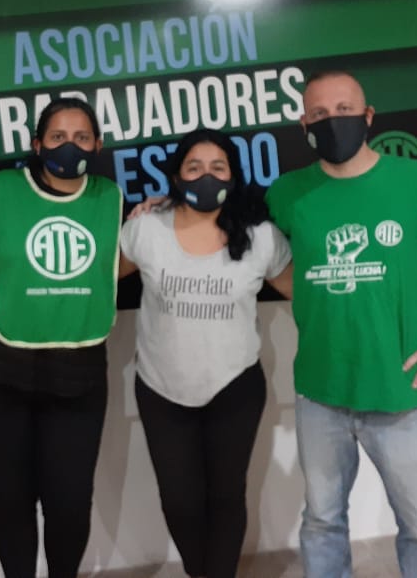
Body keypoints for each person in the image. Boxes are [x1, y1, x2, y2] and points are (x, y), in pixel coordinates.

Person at [265, 71, 417, 578]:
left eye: (344, 110)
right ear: (304, 125)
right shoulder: (287, 193)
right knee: (322, 521)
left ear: (367, 117)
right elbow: (257, 253)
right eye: (319, 114)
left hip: (398, 391)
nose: (332, 121)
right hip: (320, 392)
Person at [0, 97, 122, 578]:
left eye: (81, 137)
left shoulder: (109, 198)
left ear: (98, 145)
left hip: (79, 374)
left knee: (70, 503)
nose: (70, 146)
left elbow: (120, 260)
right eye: (57, 137)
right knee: (10, 502)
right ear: (36, 144)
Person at [118, 128, 292, 578]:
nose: (206, 176)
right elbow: (94, 279)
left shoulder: (261, 236)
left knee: (226, 496)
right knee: (180, 500)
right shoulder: (146, 230)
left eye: (218, 167)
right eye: (194, 167)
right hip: (161, 388)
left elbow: (304, 290)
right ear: (176, 176)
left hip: (235, 386)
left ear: (233, 176)